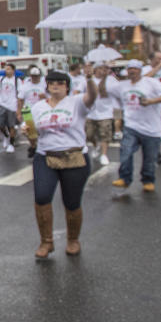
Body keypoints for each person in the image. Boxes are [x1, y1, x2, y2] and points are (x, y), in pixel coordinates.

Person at [26, 69, 97, 258]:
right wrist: (28, 134)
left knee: (71, 202)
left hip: (73, 157)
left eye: (60, 82)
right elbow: (33, 131)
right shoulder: (38, 107)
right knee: (41, 197)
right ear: (47, 86)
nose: (55, 85)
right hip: (45, 156)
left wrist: (90, 78)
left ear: (67, 86)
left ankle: (73, 240)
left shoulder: (77, 102)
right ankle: (46, 242)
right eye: (51, 83)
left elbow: (92, 96)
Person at [105, 59, 161, 194]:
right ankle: (124, 178)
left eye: (135, 69)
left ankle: (148, 180)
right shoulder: (122, 86)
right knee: (126, 151)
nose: (132, 71)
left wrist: (151, 101)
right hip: (131, 125)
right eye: (130, 69)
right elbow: (106, 92)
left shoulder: (151, 83)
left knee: (149, 158)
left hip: (151, 128)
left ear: (140, 71)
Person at [85, 63, 117, 167]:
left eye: (104, 68)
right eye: (100, 69)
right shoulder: (89, 80)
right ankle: (95, 145)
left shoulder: (111, 80)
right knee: (89, 135)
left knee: (105, 134)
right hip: (90, 112)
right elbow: (78, 91)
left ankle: (104, 154)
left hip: (105, 112)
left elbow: (118, 92)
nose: (102, 71)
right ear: (95, 70)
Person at [0, 64, 22, 153]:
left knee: (11, 125)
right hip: (1, 104)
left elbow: (20, 95)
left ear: (13, 70)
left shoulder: (17, 81)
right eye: (5, 69)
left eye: (8, 69)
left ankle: (11, 144)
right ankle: (6, 136)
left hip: (12, 105)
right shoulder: (1, 79)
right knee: (0, 125)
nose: (6, 70)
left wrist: (19, 110)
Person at [18, 67, 49, 156]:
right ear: (30, 76)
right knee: (27, 131)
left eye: (37, 76)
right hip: (28, 112)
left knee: (40, 130)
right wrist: (19, 112)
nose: (35, 78)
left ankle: (39, 148)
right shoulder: (25, 86)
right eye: (33, 76)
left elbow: (51, 98)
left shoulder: (44, 86)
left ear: (40, 76)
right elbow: (20, 100)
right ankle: (33, 145)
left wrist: (45, 97)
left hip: (42, 111)